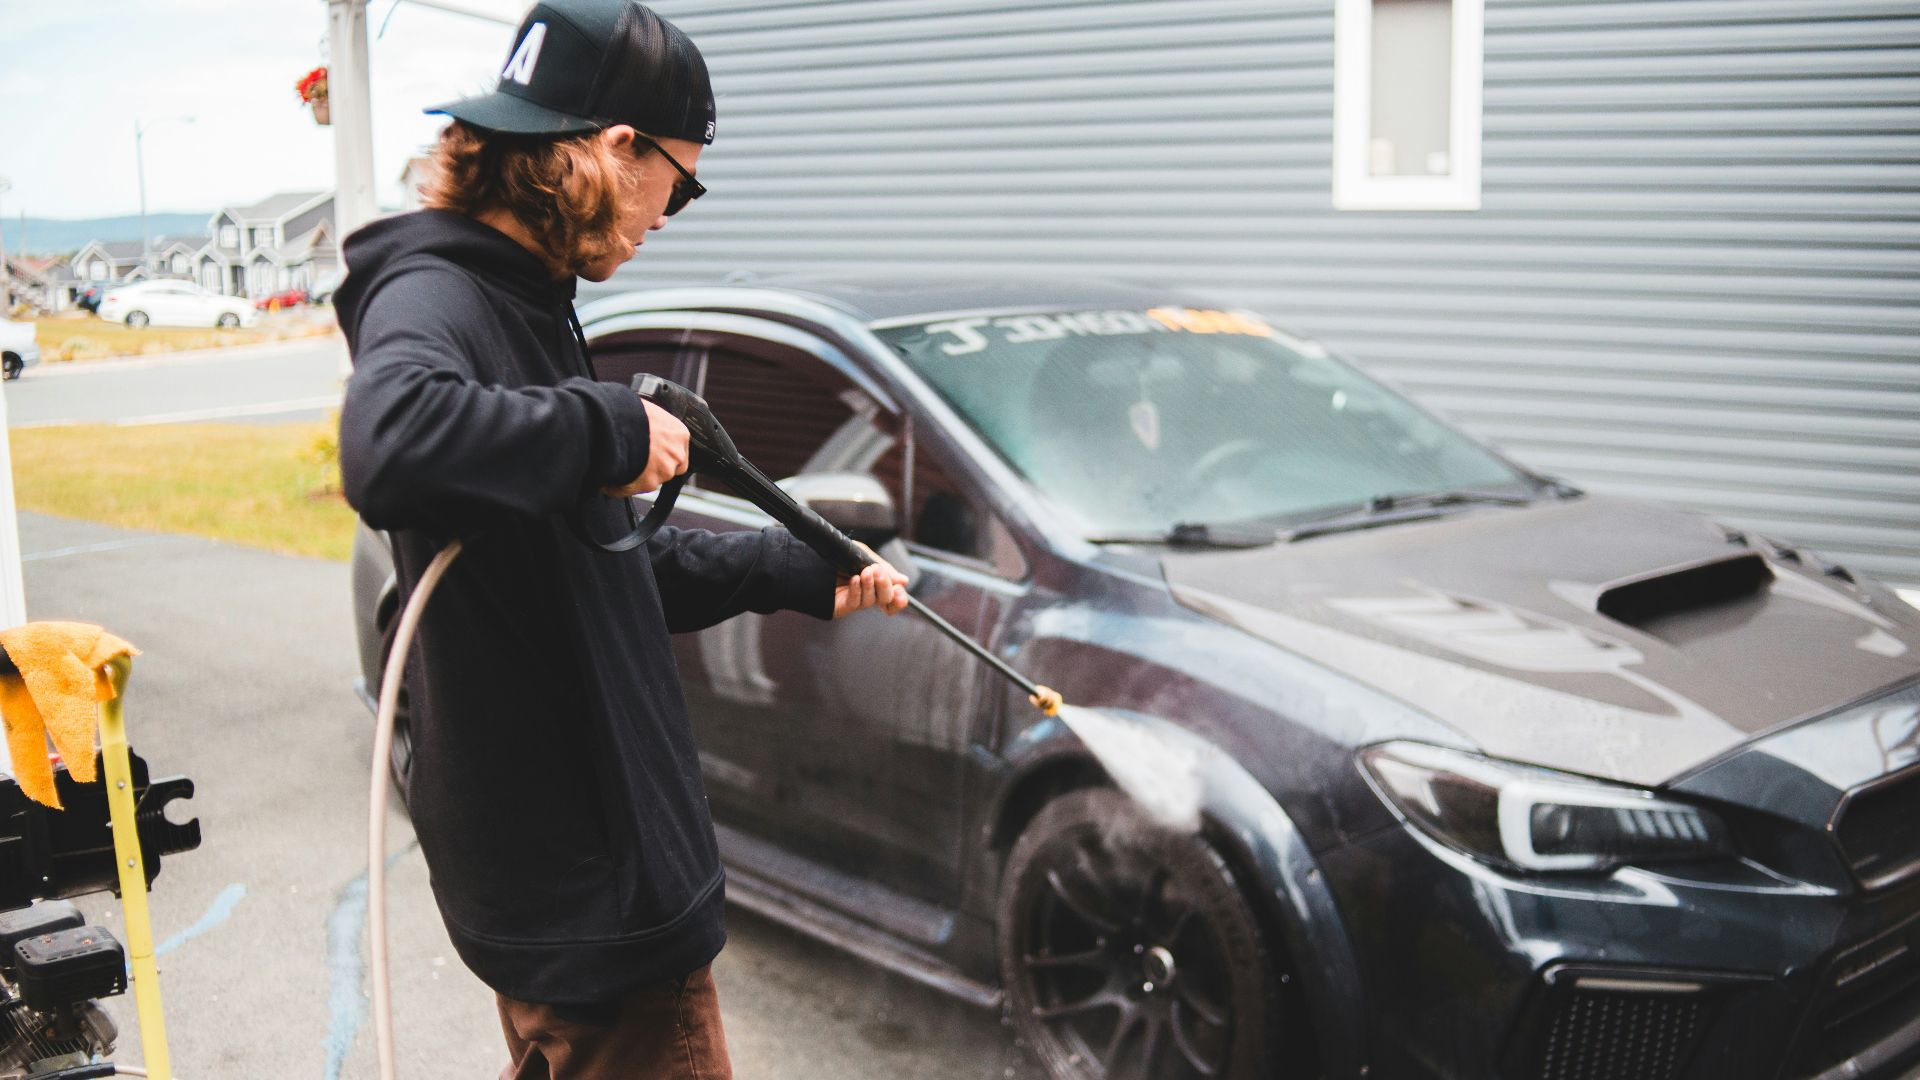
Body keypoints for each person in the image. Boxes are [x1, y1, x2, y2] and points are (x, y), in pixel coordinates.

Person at [332, 3, 910, 1077]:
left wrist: (792, 569)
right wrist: (606, 426)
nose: (671, 213)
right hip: (593, 909)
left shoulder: (525, 302)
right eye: (679, 184)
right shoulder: (440, 293)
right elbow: (386, 443)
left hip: (584, 893)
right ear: (610, 151)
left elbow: (593, 562)